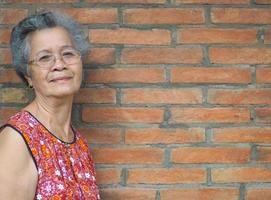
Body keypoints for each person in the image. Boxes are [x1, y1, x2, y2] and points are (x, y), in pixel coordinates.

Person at [0, 11, 100, 200]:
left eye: (68, 54)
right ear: (28, 75)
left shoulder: (79, 144)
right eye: (45, 58)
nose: (59, 64)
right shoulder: (17, 141)